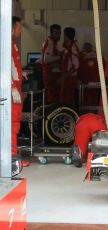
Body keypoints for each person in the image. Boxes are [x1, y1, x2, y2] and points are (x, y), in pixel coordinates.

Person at [11, 16, 29, 166]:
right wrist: (11, 87)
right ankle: (11, 158)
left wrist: (20, 72)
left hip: (15, 87)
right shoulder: (6, 44)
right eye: (18, 27)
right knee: (11, 123)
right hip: (10, 91)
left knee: (14, 123)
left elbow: (12, 66)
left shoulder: (12, 44)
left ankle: (13, 156)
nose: (20, 30)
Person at [41, 24, 62, 104]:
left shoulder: (54, 43)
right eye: (56, 33)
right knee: (52, 99)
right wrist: (60, 56)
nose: (59, 35)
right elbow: (46, 59)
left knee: (55, 98)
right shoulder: (49, 42)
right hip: (51, 76)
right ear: (51, 33)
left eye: (59, 33)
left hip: (53, 75)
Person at [59, 27, 80, 106]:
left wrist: (63, 77)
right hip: (66, 78)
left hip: (69, 79)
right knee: (63, 101)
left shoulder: (73, 48)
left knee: (67, 102)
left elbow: (75, 66)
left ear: (66, 36)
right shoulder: (67, 48)